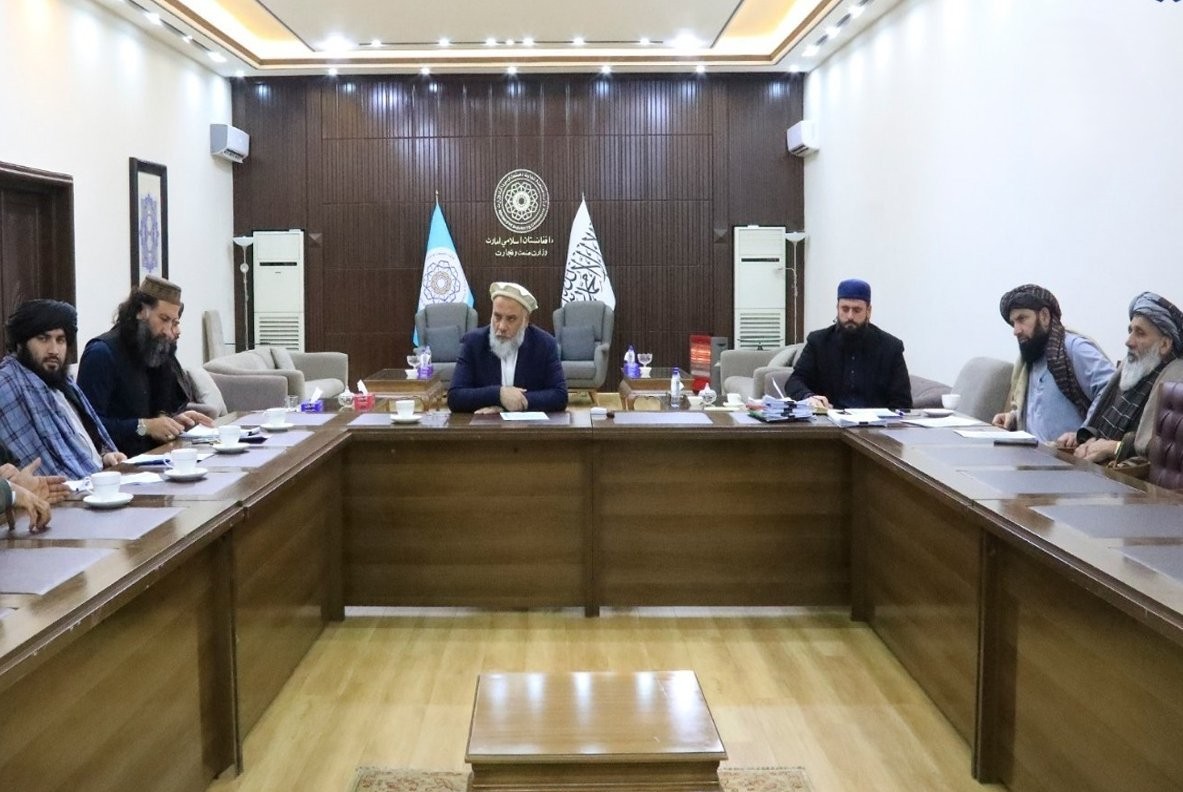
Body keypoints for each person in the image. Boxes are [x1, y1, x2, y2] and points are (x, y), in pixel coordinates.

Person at [77, 275, 214, 456]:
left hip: (158, 458)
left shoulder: (154, 350)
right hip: (119, 463)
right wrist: (144, 427)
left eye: (173, 322)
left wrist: (173, 422)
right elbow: (87, 426)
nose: (169, 331)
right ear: (141, 311)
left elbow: (153, 417)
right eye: (164, 319)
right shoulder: (102, 353)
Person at [0, 299, 126, 481]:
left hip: (94, 483)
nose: (54, 350)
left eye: (60, 340)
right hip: (51, 493)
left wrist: (104, 457)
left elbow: (84, 444)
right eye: (43, 339)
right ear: (21, 343)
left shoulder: (65, 384)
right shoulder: (6, 386)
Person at [1055, 291, 1183, 464]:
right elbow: (1104, 426)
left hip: (1131, 477)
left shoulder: (1175, 381)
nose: (1128, 341)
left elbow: (1163, 452)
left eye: (1140, 333)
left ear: (1165, 344)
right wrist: (1085, 440)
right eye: (1130, 331)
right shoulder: (1132, 370)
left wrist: (1113, 448)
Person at [992, 284, 1114, 442]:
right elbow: (1040, 410)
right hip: (1031, 453)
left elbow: (1112, 390)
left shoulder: (1074, 348)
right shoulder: (1030, 355)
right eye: (1013, 322)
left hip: (1067, 455)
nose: (1016, 330)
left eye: (1022, 319)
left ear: (1044, 316)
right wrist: (1015, 417)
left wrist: (1084, 434)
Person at [785, 278, 912, 410]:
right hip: (828, 419)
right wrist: (808, 397)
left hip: (874, 421)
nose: (850, 316)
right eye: (845, 309)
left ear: (868, 311)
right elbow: (795, 381)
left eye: (857, 310)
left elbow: (902, 401)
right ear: (837, 308)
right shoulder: (818, 342)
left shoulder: (890, 347)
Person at [448, 282, 568, 413]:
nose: (501, 327)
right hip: (485, 424)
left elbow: (560, 396)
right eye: (497, 317)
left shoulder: (544, 344)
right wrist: (499, 395)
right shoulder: (473, 342)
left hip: (528, 425)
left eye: (511, 319)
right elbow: (455, 397)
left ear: (525, 321)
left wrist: (514, 403)